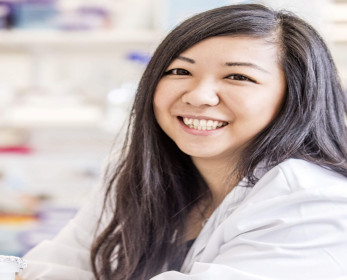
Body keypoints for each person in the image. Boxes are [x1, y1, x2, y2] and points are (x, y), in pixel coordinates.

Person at [18, 3, 347, 280]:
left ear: (298, 97)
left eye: (238, 77)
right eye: (179, 72)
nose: (199, 96)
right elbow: (55, 266)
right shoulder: (137, 173)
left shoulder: (311, 201)